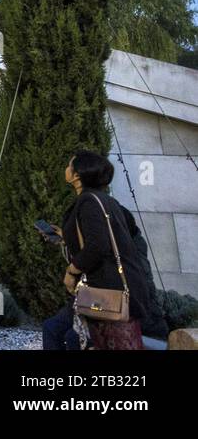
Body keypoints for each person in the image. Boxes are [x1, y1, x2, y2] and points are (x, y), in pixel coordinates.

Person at [42, 150, 164, 350]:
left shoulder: (89, 201)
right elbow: (100, 238)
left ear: (77, 175)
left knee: (85, 340)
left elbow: (98, 246)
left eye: (69, 165)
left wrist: (71, 271)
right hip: (104, 288)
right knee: (65, 333)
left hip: (106, 291)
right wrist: (66, 237)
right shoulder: (102, 200)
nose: (65, 168)